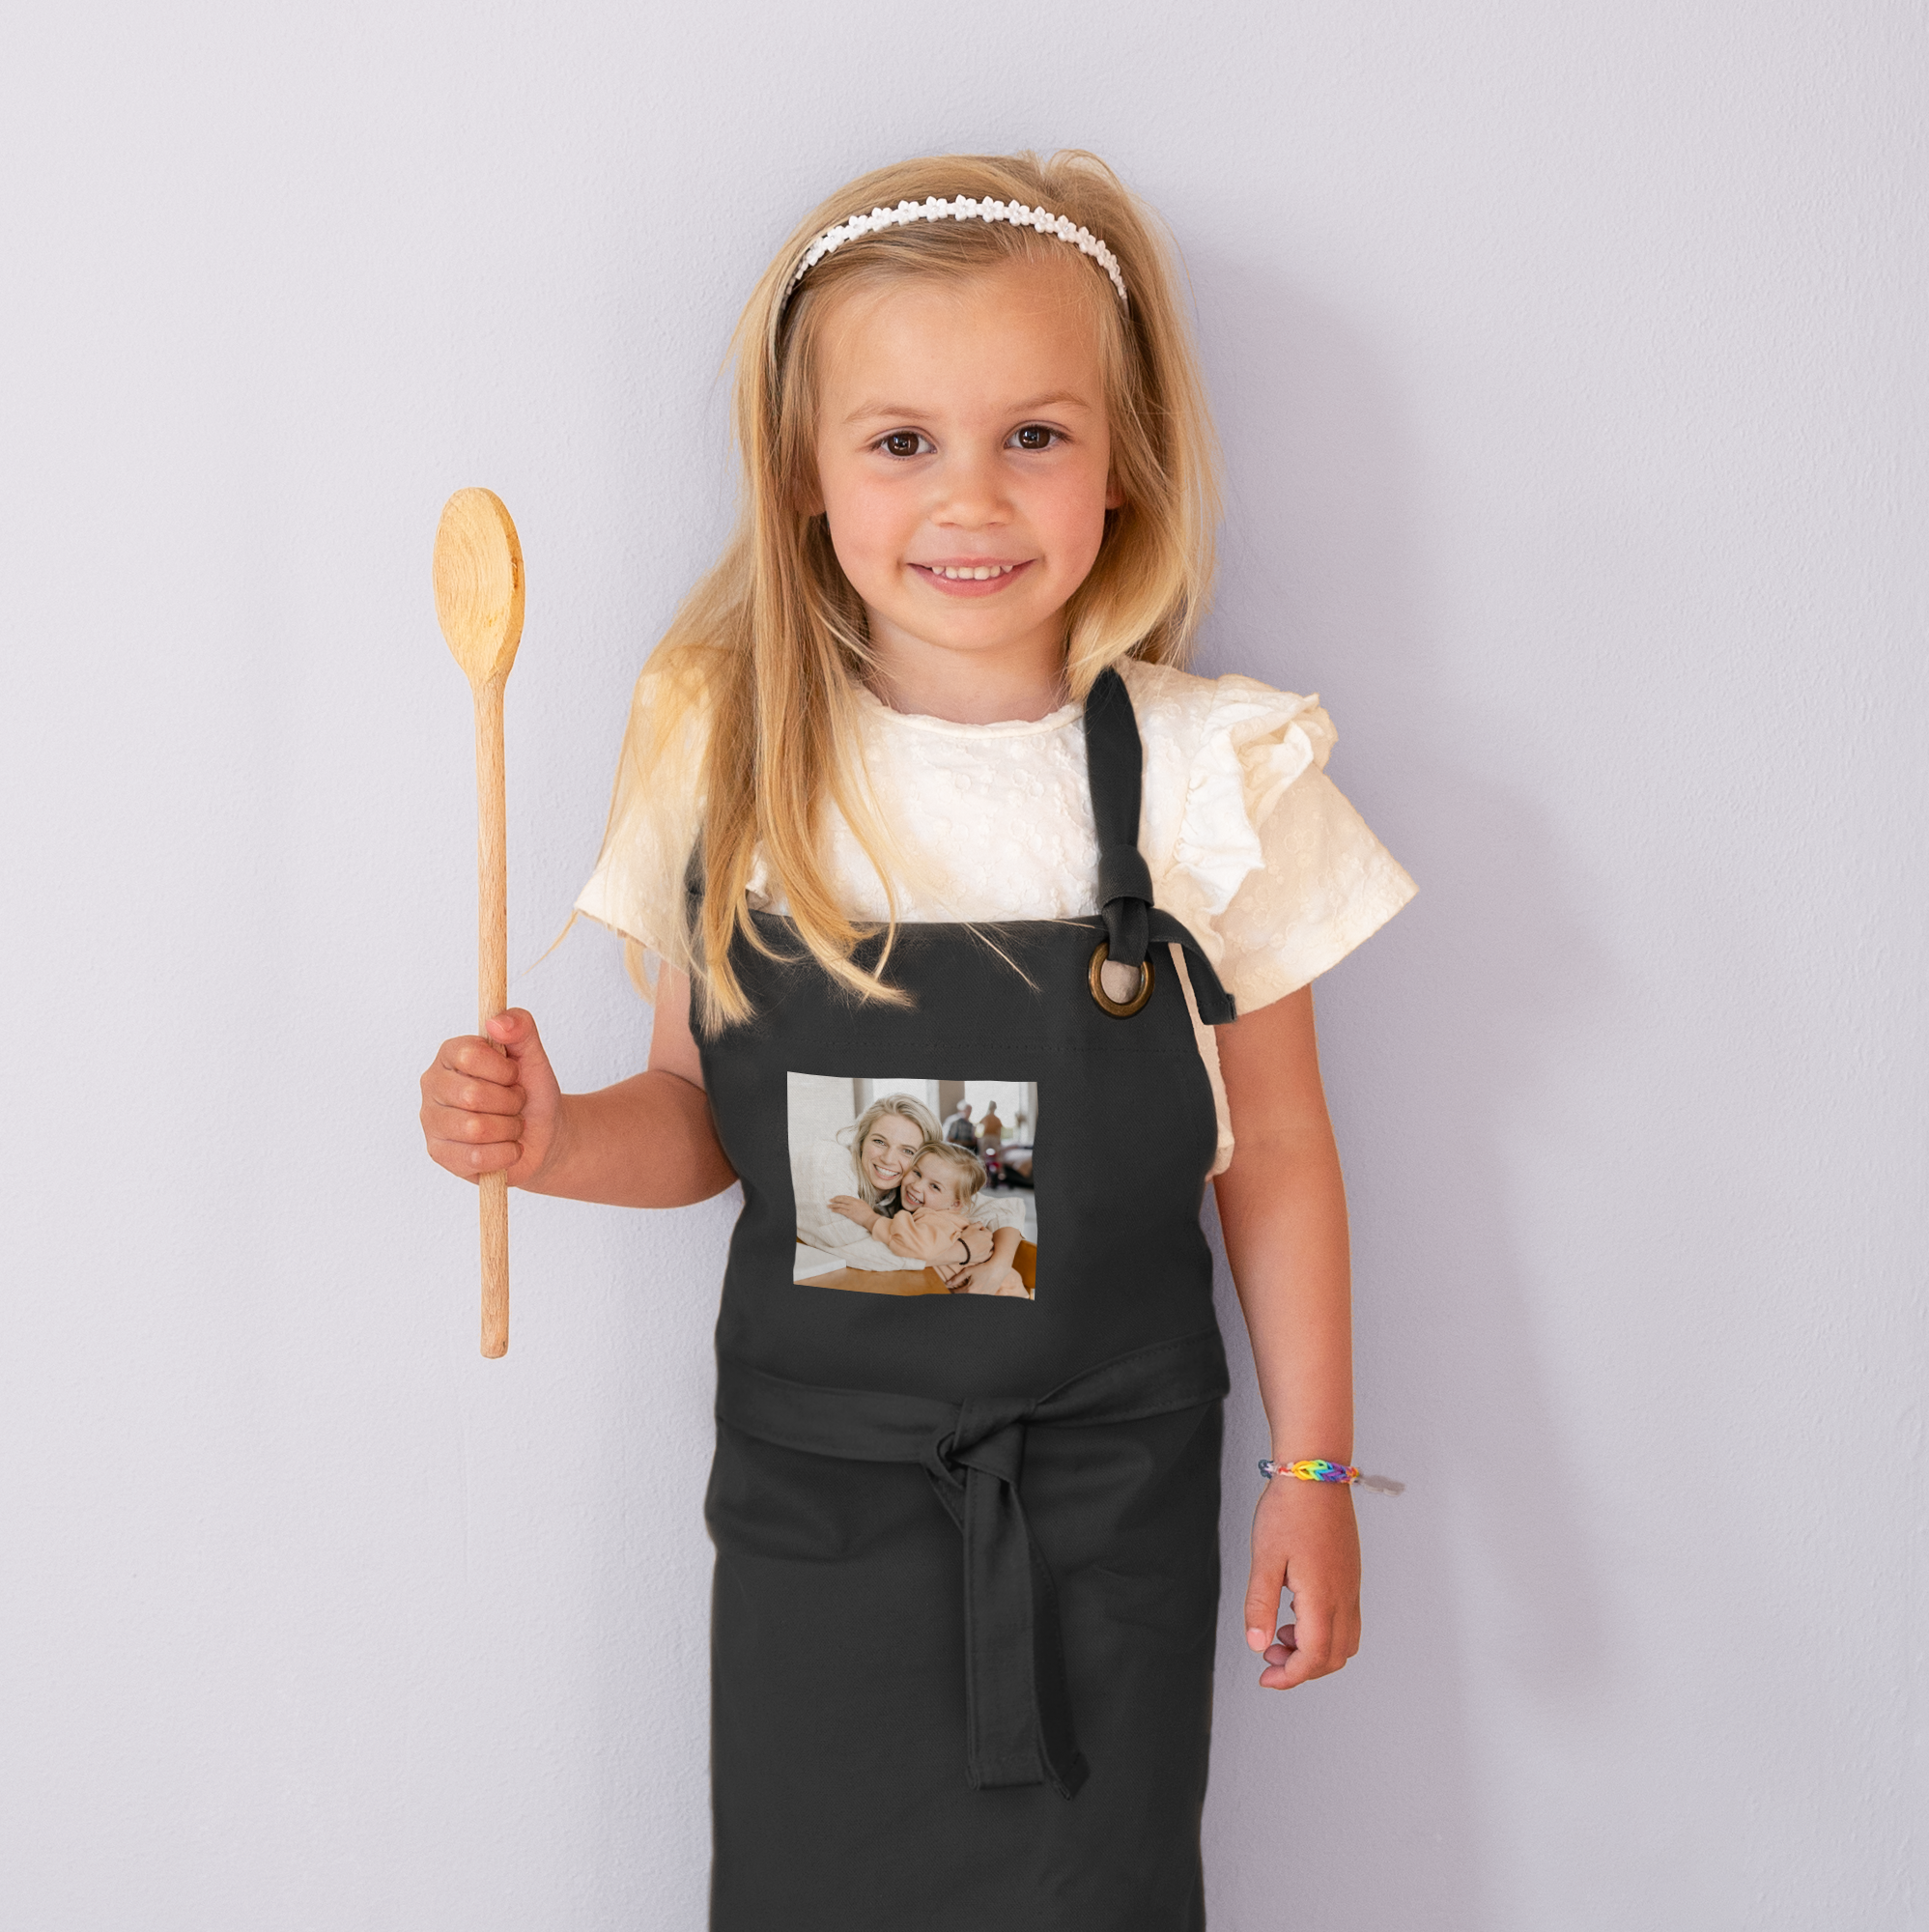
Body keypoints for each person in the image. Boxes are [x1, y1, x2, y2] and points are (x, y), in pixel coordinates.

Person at [418, 149, 1414, 1929]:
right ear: (807, 475)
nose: (973, 495)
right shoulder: (727, 750)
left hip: (1102, 1512)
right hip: (820, 1520)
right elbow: (689, 1116)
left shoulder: (1213, 777)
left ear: (1125, 466)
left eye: (1034, 433)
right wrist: (552, 1141)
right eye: (901, 442)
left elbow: (1274, 1153)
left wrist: (1315, 1472)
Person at [830, 1141, 1027, 1296]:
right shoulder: (934, 1211)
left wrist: (869, 1218)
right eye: (916, 1173)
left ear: (956, 1204)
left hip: (1001, 1294)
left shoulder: (937, 1219)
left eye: (935, 1187)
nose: (917, 1186)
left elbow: (913, 1245)